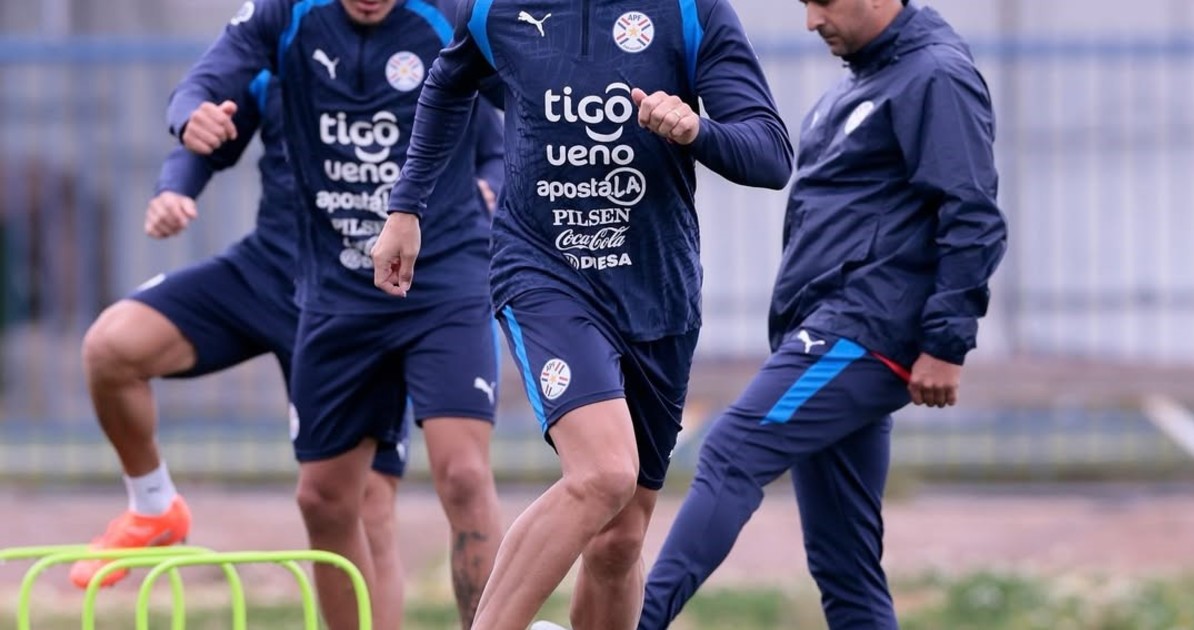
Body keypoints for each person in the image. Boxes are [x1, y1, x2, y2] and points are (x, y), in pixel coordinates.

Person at [372, 0, 795, 628]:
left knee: (619, 541)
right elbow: (447, 83)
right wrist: (407, 208)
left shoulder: (690, 11)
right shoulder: (492, 10)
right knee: (604, 473)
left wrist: (696, 131)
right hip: (543, 272)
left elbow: (772, 154)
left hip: (658, 294)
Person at [638, 1, 1008, 629]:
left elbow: (972, 214)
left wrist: (948, 342)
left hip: (862, 334)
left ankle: (633, 621)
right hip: (828, 333)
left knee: (731, 451)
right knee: (846, 568)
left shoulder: (935, 75)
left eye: (825, 1)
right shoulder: (864, 80)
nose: (811, 20)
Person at [166, 1, 506, 627]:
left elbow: (525, 103)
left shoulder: (452, 13)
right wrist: (190, 115)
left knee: (462, 475)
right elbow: (208, 78)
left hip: (444, 281)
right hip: (338, 289)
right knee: (323, 498)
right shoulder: (285, 13)